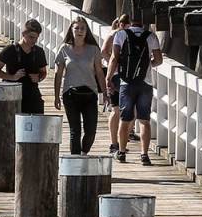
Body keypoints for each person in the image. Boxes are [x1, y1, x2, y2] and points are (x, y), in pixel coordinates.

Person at [107, 14, 162, 165]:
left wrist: (108, 77)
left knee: (125, 120)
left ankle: (122, 152)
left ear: (129, 22)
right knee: (144, 121)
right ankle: (144, 155)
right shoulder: (151, 36)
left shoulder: (121, 34)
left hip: (126, 82)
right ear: (144, 22)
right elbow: (159, 60)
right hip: (146, 82)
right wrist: (147, 65)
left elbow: (114, 58)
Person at [53, 15, 106, 155]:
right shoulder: (64, 49)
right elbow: (58, 74)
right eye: (77, 28)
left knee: (91, 131)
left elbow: (100, 73)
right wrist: (56, 96)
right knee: (75, 130)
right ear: (71, 30)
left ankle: (84, 153)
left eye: (83, 28)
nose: (80, 31)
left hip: (89, 94)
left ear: (87, 31)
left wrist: (105, 93)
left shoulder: (93, 49)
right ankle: (75, 161)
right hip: (70, 94)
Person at [0, 17, 49, 115]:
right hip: (12, 93)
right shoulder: (10, 50)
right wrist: (12, 77)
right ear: (23, 34)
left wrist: (39, 77)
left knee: (36, 124)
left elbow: (43, 72)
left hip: (32, 93)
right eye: (31, 37)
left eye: (36, 37)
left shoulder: (39, 52)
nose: (34, 40)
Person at [101, 15, 127, 153]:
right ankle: (114, 143)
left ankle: (121, 142)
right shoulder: (114, 34)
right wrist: (115, 64)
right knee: (116, 109)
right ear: (122, 24)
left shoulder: (123, 34)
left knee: (125, 110)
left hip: (122, 76)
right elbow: (104, 52)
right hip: (116, 76)